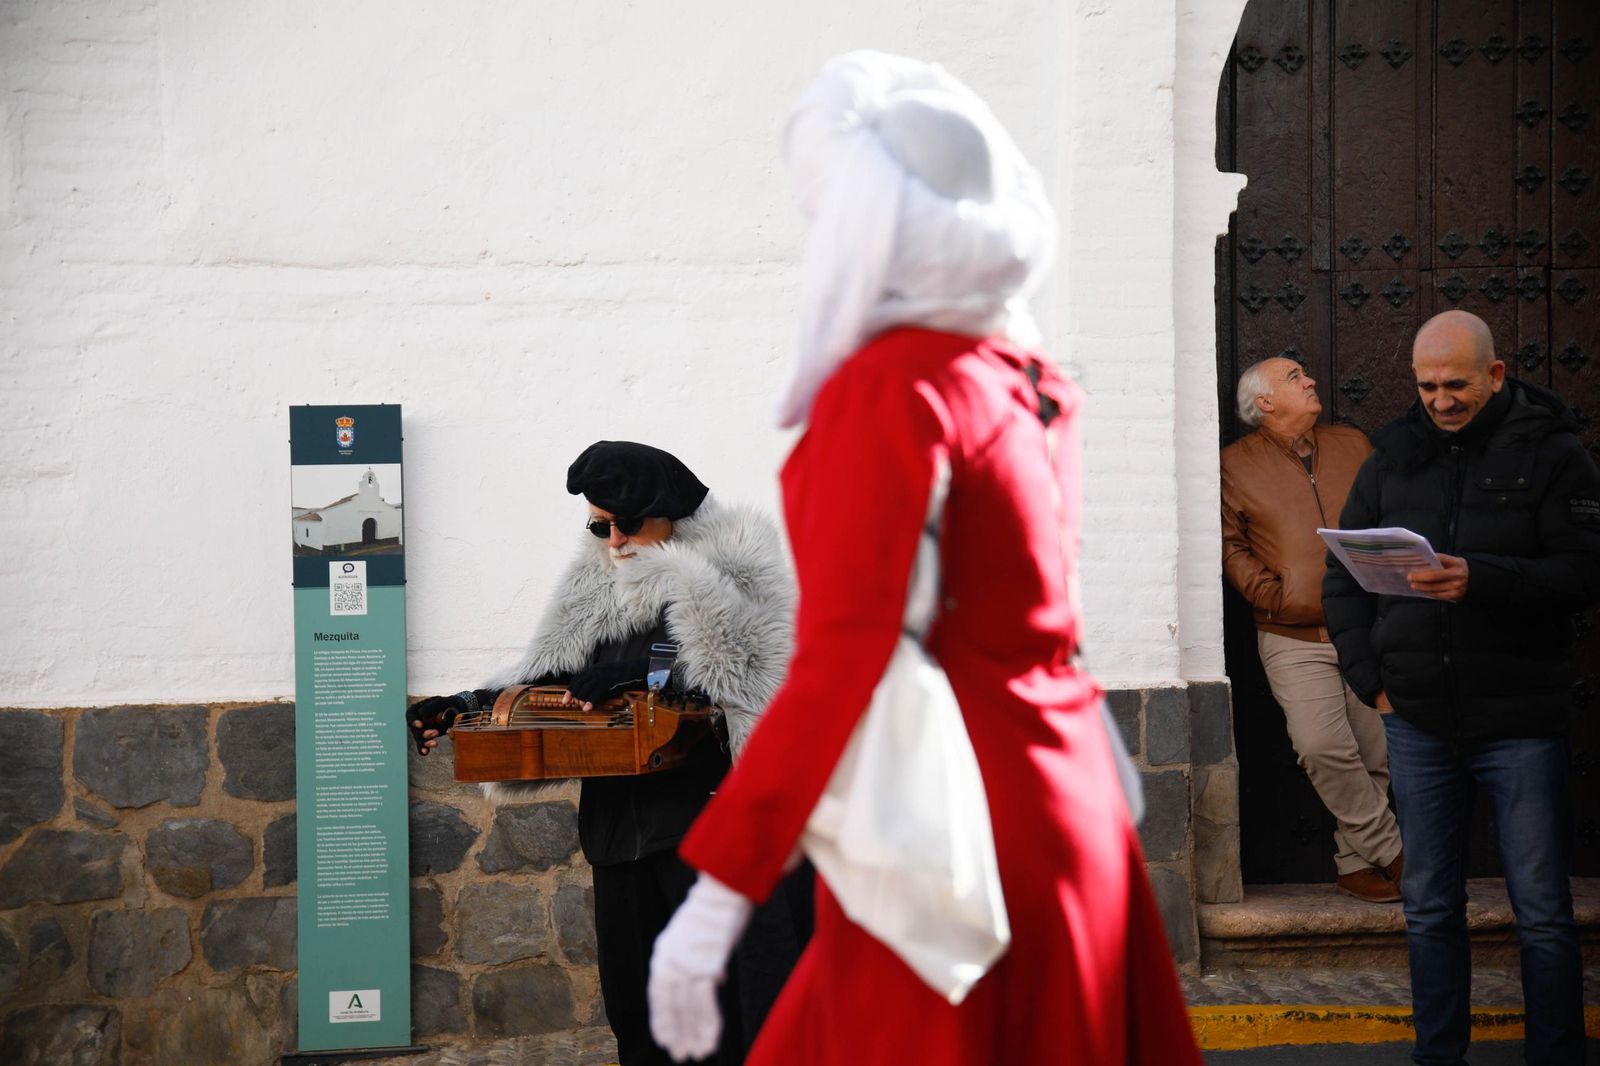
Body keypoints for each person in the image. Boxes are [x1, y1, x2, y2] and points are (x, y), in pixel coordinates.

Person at [646, 52, 1202, 1065]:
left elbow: (847, 657)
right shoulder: (1021, 377)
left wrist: (718, 896)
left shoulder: (893, 389)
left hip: (952, 841)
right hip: (1062, 797)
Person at [410, 440, 807, 1065]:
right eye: (600, 525)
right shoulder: (597, 581)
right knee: (637, 1005)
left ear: (673, 518)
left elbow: (757, 676)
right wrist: (466, 703)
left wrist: (647, 674)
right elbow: (549, 673)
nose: (615, 540)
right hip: (621, 832)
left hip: (708, 830)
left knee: (730, 1004)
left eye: (628, 525)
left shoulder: (732, 570)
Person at [1322, 310, 1600, 1066]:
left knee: (1542, 911)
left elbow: (1583, 572)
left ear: (1496, 374)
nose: (1440, 401)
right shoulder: (1392, 456)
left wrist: (1484, 579)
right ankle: (1437, 1057)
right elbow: (1342, 579)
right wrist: (1369, 680)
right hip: (1417, 719)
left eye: (1456, 385)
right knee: (1429, 907)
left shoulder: (1554, 453)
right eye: (1426, 386)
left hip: (1520, 720)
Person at [1220, 357, 1403, 902]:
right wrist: (1275, 596)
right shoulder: (1234, 464)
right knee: (1322, 746)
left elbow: (1386, 514)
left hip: (1367, 625)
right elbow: (1229, 544)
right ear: (1265, 403)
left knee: (1377, 753)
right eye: (1296, 376)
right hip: (1292, 635)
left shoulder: (1352, 444)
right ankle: (1396, 852)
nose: (1312, 380)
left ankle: (1353, 862)